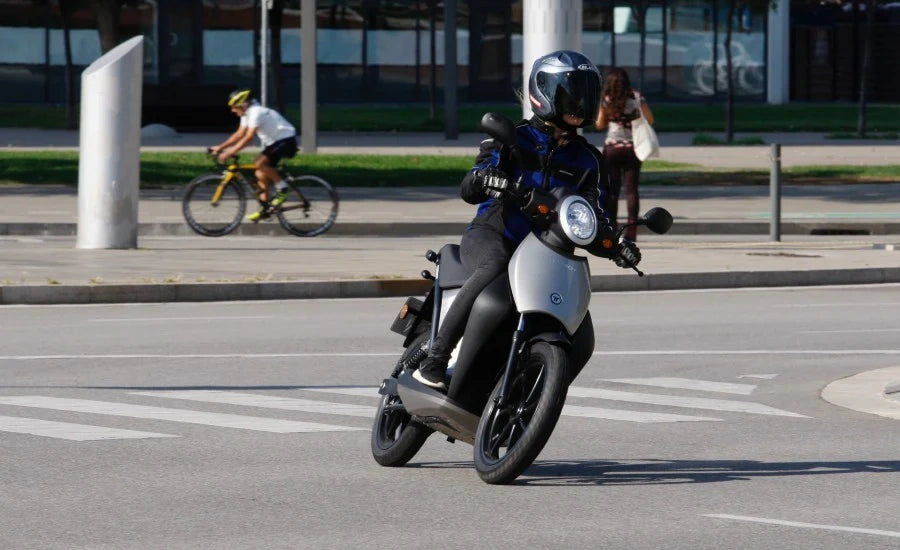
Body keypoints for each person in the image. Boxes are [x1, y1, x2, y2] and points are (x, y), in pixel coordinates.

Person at [412, 50, 642, 391]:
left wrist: (617, 245)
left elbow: (594, 216)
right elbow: (471, 184)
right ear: (545, 91)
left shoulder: (589, 161)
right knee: (494, 264)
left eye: (586, 94)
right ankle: (436, 355)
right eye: (572, 92)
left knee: (579, 325)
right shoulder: (511, 137)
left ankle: (523, 395)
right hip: (495, 233)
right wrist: (485, 177)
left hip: (543, 257)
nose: (580, 103)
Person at [210, 89, 299, 222]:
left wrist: (229, 152)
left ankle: (283, 188)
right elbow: (239, 134)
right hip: (275, 142)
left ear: (243, 105)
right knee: (260, 174)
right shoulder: (246, 114)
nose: (232, 111)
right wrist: (221, 147)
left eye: (234, 107)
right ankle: (265, 210)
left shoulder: (256, 112)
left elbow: (249, 137)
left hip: (286, 140)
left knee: (259, 162)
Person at [594, 67, 655, 241]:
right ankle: (632, 228)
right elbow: (650, 120)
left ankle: (612, 226)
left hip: (612, 149)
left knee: (612, 191)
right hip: (632, 148)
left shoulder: (607, 99)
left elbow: (599, 124)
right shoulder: (636, 97)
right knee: (631, 190)